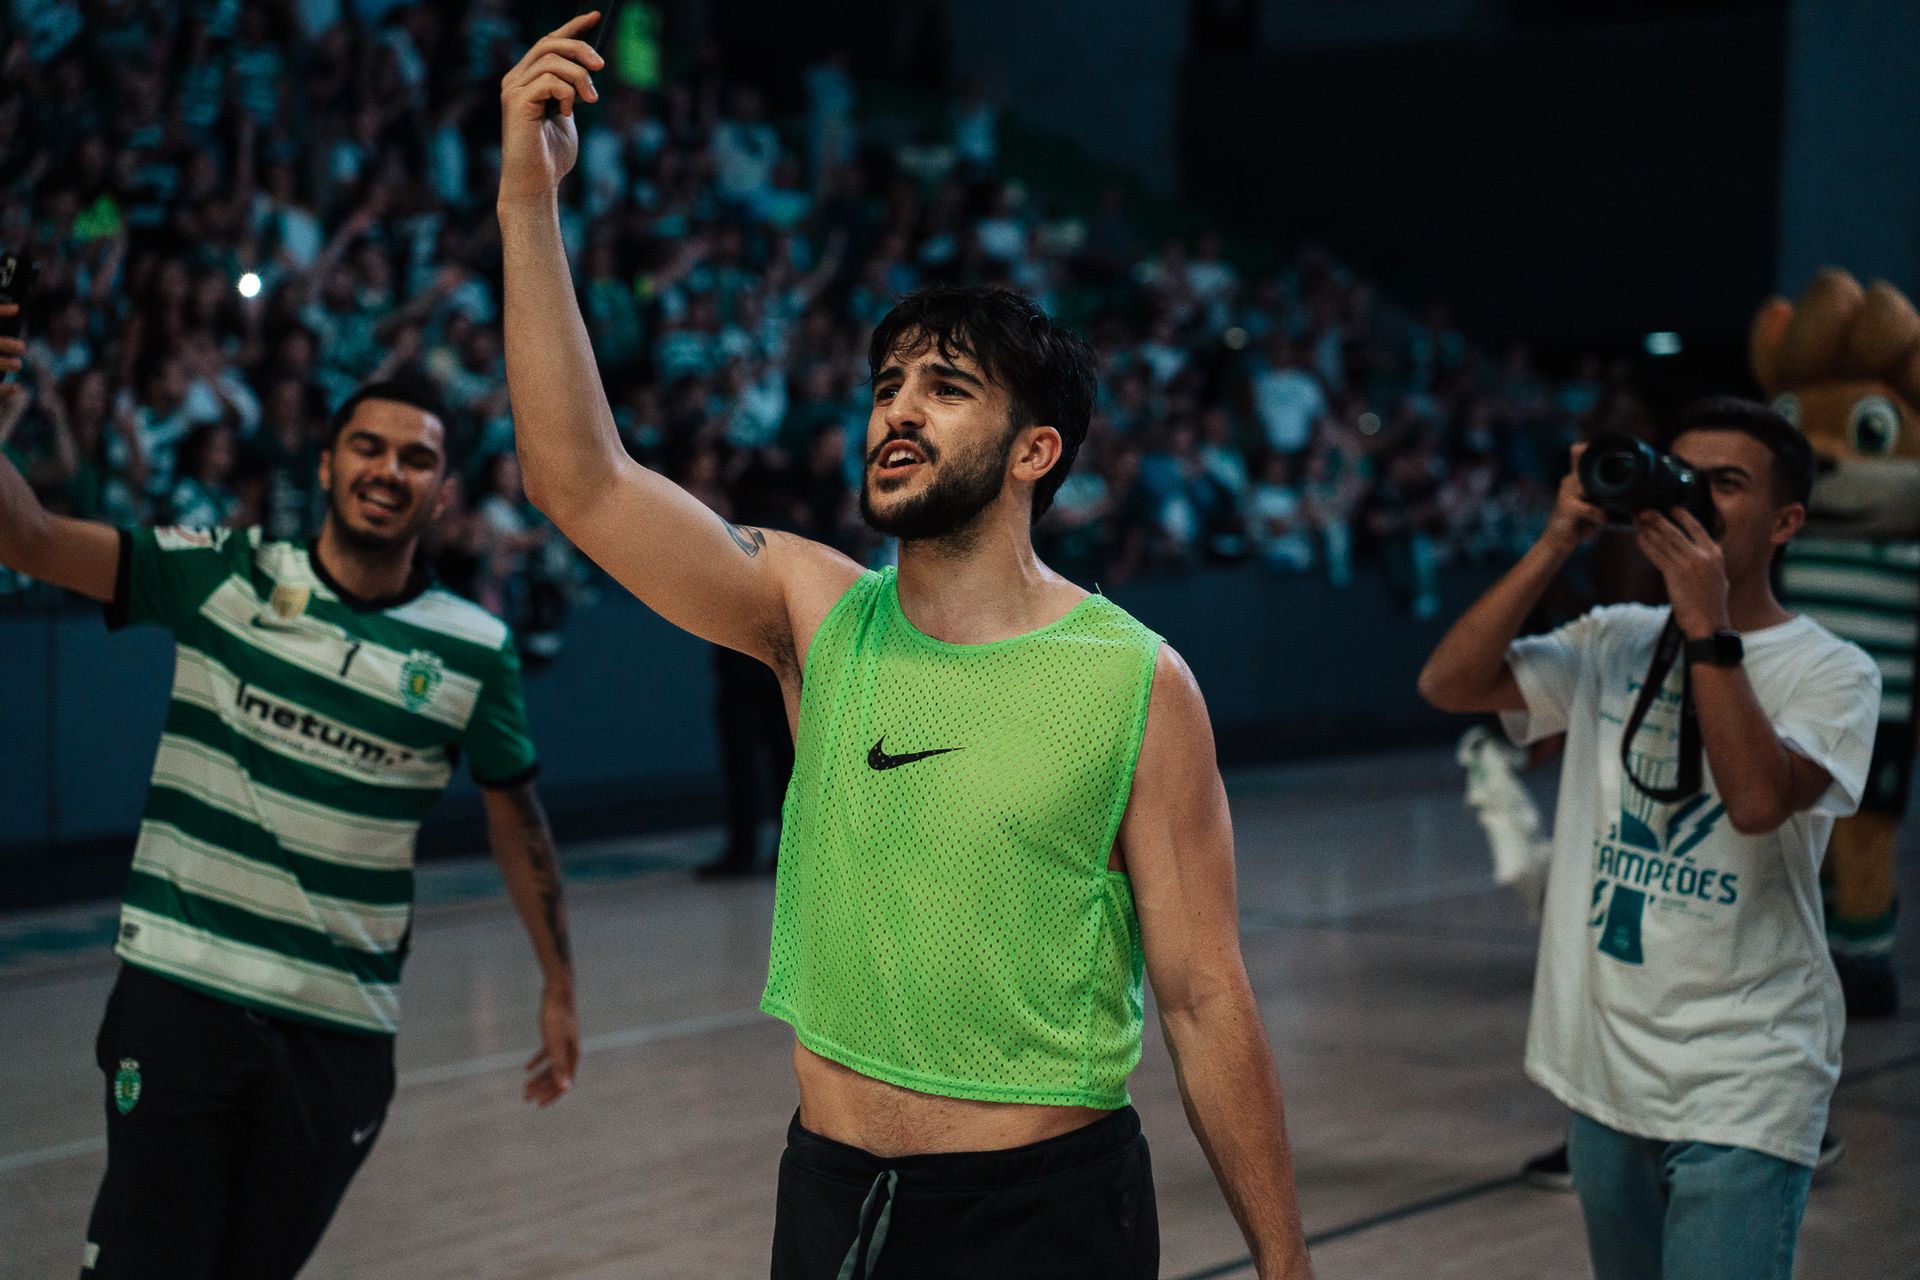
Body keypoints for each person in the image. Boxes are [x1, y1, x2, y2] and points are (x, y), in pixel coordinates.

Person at [496, 19, 1314, 1279]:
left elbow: (1206, 998)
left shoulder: (1135, 680)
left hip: (1046, 1213)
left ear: (1034, 449)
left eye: (944, 386)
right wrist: (527, 200)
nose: (896, 410)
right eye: (886, 385)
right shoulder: (819, 614)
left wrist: (1285, 1262)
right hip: (832, 1197)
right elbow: (579, 480)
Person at [0, 328, 580, 1280]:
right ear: (326, 463)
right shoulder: (222, 572)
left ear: (443, 493)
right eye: (368, 446)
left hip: (340, 1032)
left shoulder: (474, 648)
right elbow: (24, 535)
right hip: (181, 998)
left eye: (417, 458)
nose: (389, 470)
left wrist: (559, 982)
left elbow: (516, 820)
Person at [1417, 396, 1880, 1280]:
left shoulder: (1834, 671)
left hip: (1747, 1075)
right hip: (1608, 1076)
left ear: (1787, 522)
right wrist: (1558, 539)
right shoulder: (1612, 641)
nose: (1694, 498)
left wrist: (1708, 624)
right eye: (1682, 475)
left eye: (1726, 484)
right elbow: (1450, 682)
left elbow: (1755, 802)